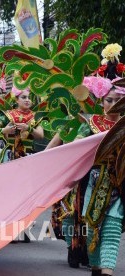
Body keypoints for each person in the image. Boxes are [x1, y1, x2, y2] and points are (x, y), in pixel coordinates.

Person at [77, 77, 125, 276]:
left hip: (119, 184)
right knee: (91, 230)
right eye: (109, 100)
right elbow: (75, 149)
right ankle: (96, 269)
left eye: (118, 101)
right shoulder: (90, 123)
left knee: (112, 230)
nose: (113, 105)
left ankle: (107, 272)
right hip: (93, 182)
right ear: (101, 102)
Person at [0, 86, 44, 164]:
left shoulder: (36, 116)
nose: (27, 100)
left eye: (29, 98)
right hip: (8, 155)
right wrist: (4, 130)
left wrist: (28, 128)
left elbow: (41, 135)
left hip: (28, 155)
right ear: (17, 99)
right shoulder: (8, 114)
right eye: (24, 97)